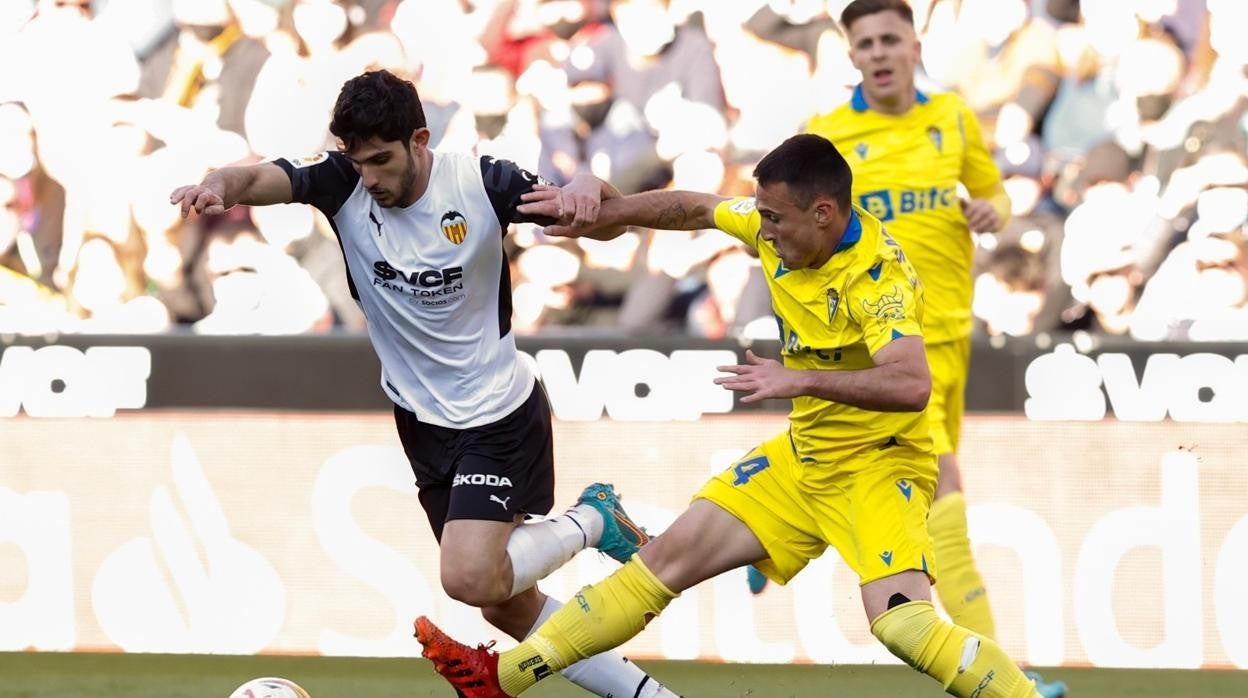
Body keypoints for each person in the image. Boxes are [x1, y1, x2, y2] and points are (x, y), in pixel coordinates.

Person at [414, 133, 1045, 698]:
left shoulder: (876, 277)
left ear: (824, 213)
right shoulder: (781, 227)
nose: (762, 231)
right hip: (805, 460)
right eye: (761, 215)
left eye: (774, 219)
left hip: (877, 467)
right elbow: (695, 208)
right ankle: (506, 680)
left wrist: (796, 377)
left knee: (902, 623)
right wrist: (615, 212)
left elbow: (912, 384)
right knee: (659, 565)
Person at [169, 69, 678, 698]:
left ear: (419, 138)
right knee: (506, 606)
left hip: (497, 413)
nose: (371, 179)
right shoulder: (340, 183)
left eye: (382, 160)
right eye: (359, 164)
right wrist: (218, 184)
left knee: (470, 578)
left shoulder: (483, 182)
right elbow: (254, 175)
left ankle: (592, 520)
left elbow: (602, 223)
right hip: (421, 423)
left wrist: (585, 191)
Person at [799, 3, 1065, 694]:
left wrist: (991, 212)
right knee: (944, 489)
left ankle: (784, 521)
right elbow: (792, 236)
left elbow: (996, 194)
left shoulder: (951, 115)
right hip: (876, 351)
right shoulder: (827, 137)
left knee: (912, 489)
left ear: (916, 44)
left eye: (892, 38)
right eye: (867, 43)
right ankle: (1007, 676)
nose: (881, 53)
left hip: (948, 333)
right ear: (850, 54)